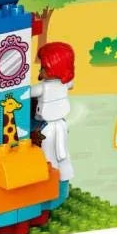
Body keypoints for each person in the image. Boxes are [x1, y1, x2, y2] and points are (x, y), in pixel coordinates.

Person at [33, 42, 75, 181]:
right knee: (63, 153)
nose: (40, 71)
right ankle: (65, 176)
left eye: (43, 67)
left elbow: (26, 93)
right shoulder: (65, 84)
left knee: (48, 154)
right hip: (62, 125)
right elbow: (71, 84)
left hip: (48, 128)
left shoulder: (42, 88)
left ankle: (51, 180)